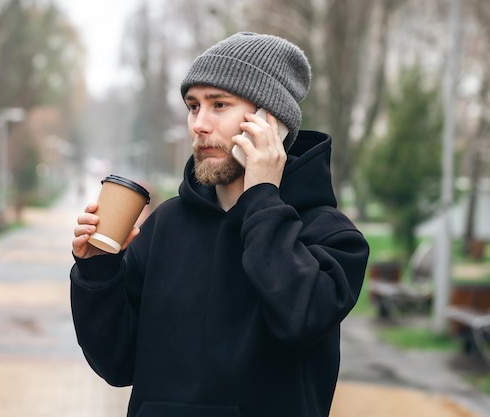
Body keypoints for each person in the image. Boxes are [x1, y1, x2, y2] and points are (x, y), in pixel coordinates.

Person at [70, 32, 370, 417]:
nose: (199, 124)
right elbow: (115, 363)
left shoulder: (330, 236)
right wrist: (98, 270)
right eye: (194, 106)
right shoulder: (165, 226)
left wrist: (262, 197)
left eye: (219, 105)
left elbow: (299, 319)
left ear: (270, 122)